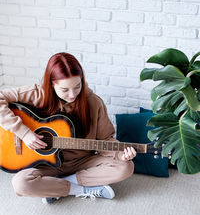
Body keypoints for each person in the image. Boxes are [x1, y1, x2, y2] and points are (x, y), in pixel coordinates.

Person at [0, 52, 136, 204]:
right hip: (46, 164)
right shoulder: (36, 94)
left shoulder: (94, 103)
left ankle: (56, 186)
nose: (72, 95)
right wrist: (24, 133)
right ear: (51, 84)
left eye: (77, 87)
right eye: (65, 90)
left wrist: (120, 154)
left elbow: (105, 139)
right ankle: (80, 189)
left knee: (126, 167)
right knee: (20, 183)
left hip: (82, 161)